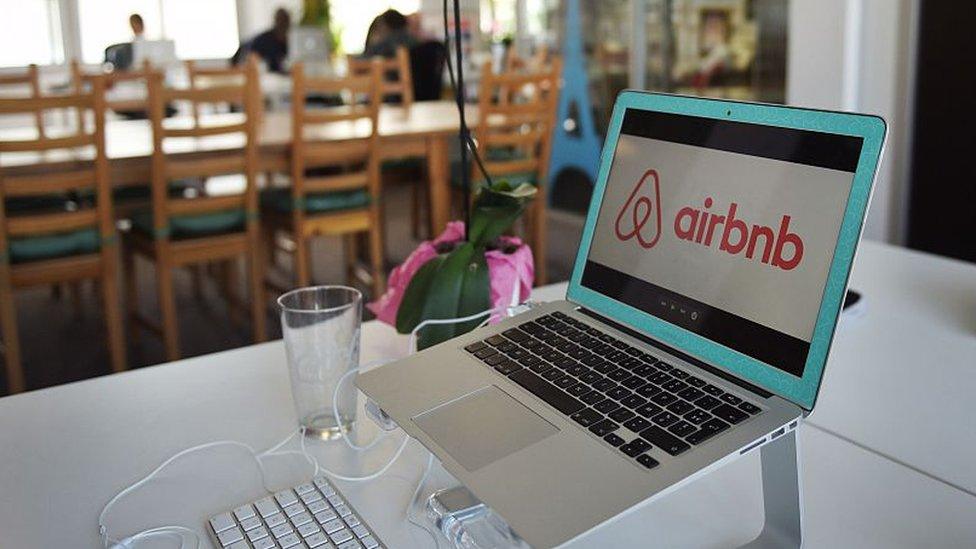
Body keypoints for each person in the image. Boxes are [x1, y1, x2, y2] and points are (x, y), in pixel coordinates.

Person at [233, 8, 291, 74]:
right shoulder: (265, 39)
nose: (283, 24)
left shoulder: (285, 41)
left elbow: (278, 65)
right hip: (241, 61)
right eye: (281, 21)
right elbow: (252, 60)